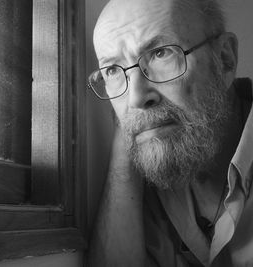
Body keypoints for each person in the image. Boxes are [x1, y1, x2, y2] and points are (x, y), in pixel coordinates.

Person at [87, 0, 253, 266]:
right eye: (112, 70)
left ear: (224, 59)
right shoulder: (153, 172)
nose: (136, 97)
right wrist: (130, 133)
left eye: (161, 53)